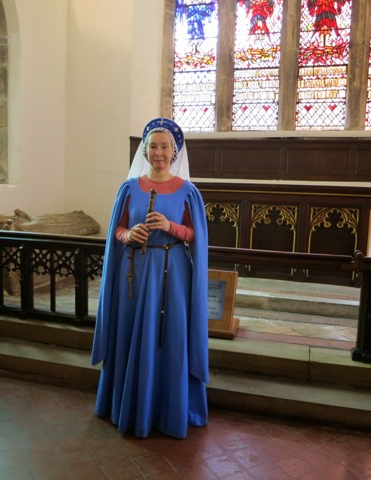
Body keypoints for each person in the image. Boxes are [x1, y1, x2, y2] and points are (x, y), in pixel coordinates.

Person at [91, 117, 209, 439]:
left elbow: (195, 235)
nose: (158, 152)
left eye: (164, 147)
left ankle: (168, 411)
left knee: (168, 339)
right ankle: (129, 406)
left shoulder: (188, 192)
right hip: (135, 274)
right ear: (144, 150)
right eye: (153, 146)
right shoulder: (129, 188)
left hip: (173, 276)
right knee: (132, 334)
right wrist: (129, 233)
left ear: (174, 152)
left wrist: (171, 228)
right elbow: (116, 229)